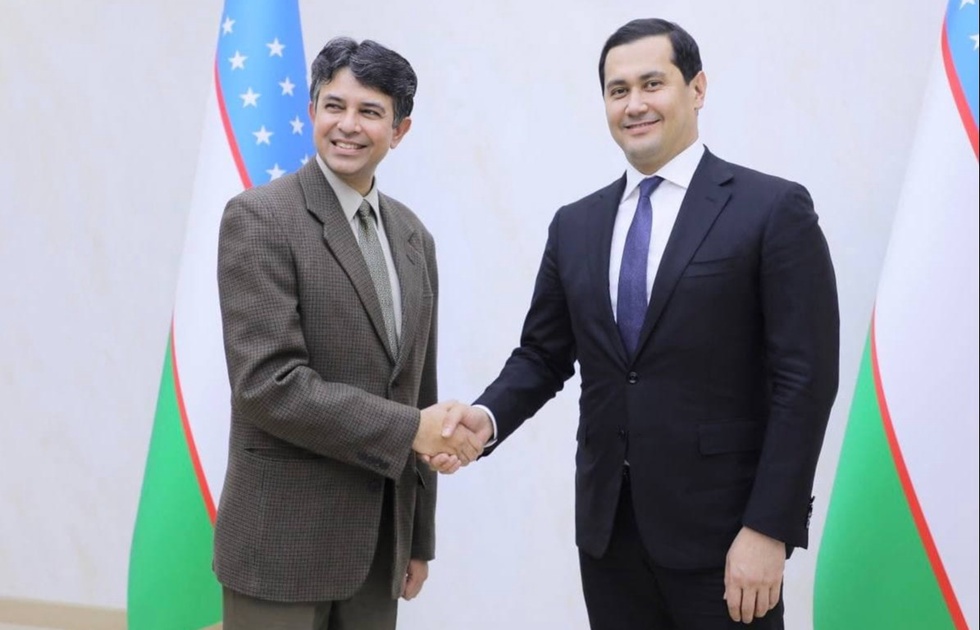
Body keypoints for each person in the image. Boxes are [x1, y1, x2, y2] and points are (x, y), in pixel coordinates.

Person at [435, 17, 839, 629]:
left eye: (653, 83)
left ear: (697, 89)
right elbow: (543, 355)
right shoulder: (576, 225)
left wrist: (769, 527)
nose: (635, 104)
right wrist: (485, 418)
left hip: (727, 538)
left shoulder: (772, 209)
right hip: (610, 538)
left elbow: (804, 381)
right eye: (617, 90)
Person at [213, 37, 482, 630]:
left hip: (380, 548)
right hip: (280, 545)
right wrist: (411, 429)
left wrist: (417, 538)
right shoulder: (260, 218)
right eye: (334, 106)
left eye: (370, 111)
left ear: (399, 130)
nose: (348, 125)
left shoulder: (413, 237)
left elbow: (418, 387)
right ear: (312, 111)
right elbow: (268, 385)